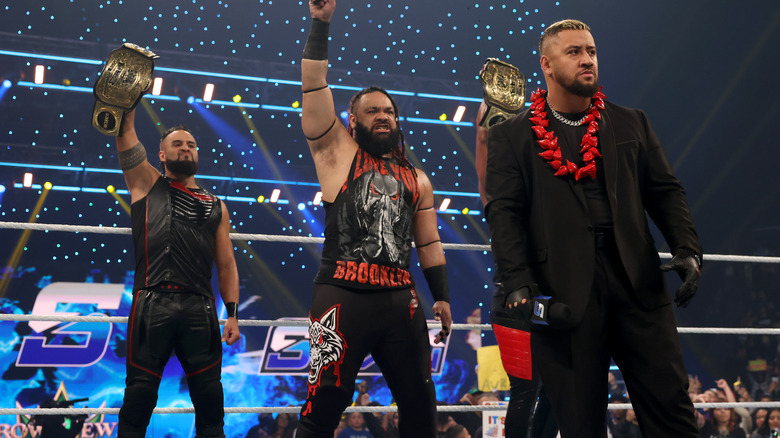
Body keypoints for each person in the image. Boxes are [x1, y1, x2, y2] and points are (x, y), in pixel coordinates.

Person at [483, 19, 703, 438]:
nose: (587, 60)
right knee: (579, 420)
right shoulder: (513, 136)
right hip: (564, 289)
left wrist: (687, 249)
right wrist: (517, 283)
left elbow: (665, 191)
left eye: (592, 51)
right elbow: (504, 213)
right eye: (574, 52)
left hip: (637, 281)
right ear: (547, 65)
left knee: (672, 410)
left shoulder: (630, 122)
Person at [296, 1, 453, 437]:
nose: (383, 116)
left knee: (421, 403)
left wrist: (441, 296)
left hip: (399, 298)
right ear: (353, 120)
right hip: (342, 295)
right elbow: (313, 84)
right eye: (372, 111)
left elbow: (428, 243)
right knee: (325, 401)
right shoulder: (336, 153)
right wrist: (320, 24)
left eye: (389, 111)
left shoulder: (416, 178)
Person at [113, 109, 241, 437]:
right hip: (152, 301)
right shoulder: (146, 183)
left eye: (192, 144)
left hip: (199, 307)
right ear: (162, 153)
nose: (186, 148)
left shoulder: (216, 205)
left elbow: (226, 264)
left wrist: (232, 314)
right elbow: (127, 142)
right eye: (178, 144)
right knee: (139, 395)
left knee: (211, 397)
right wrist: (128, 110)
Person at [476, 84, 558, 438]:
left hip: (556, 297)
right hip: (514, 299)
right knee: (526, 390)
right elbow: (484, 152)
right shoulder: (500, 197)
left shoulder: (552, 191)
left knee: (559, 388)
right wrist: (491, 108)